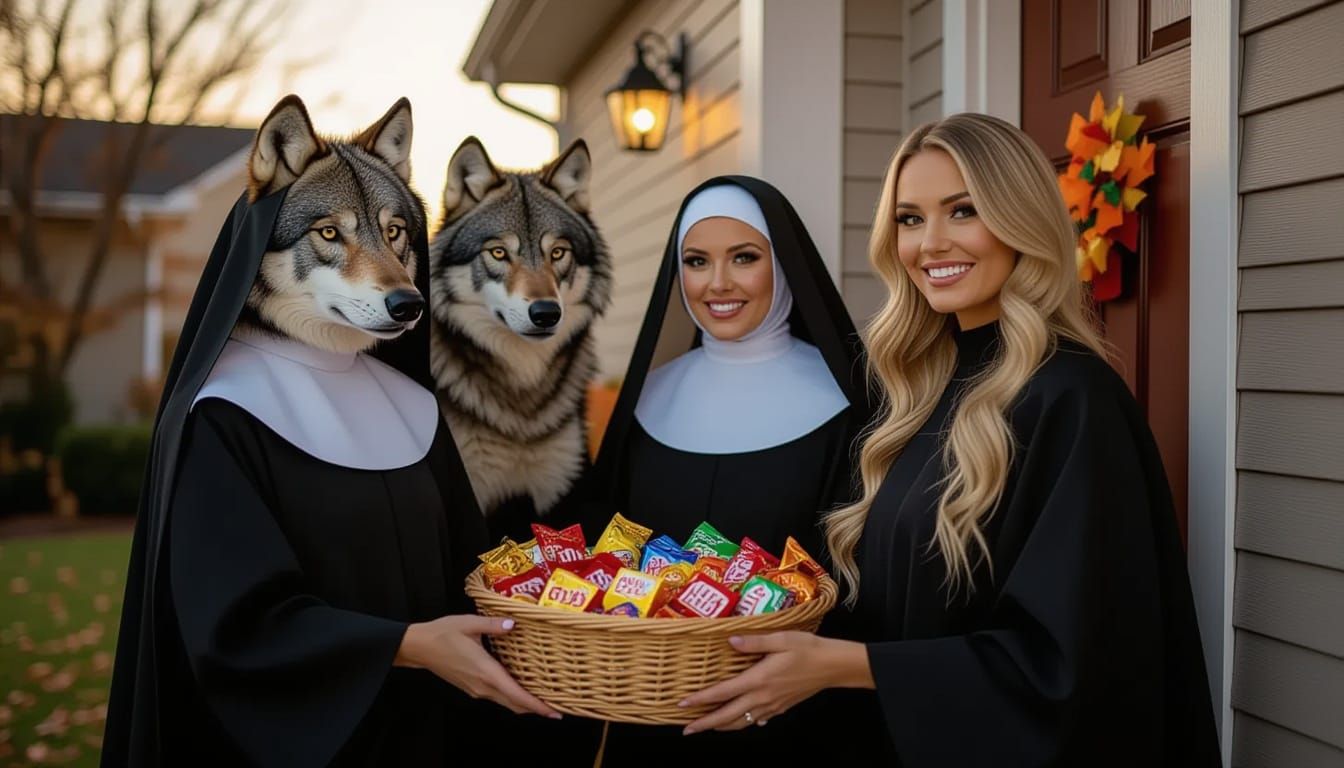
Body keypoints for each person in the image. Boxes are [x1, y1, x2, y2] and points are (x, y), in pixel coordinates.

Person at [679, 114, 1222, 766]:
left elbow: (1071, 665)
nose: (929, 244)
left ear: (1020, 218)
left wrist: (846, 666)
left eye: (962, 211)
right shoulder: (913, 395)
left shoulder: (1073, 400)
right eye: (910, 219)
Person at [101, 96, 555, 768]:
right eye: (332, 236)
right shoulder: (225, 413)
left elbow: (474, 575)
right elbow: (234, 628)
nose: (392, 277)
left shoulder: (411, 407)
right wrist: (407, 646)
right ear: (265, 243)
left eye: (394, 234)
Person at [581, 176, 873, 762]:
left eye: (744, 258)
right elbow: (607, 556)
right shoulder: (647, 400)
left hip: (796, 717)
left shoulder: (851, 404)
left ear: (783, 264)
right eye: (696, 261)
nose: (717, 283)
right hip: (656, 713)